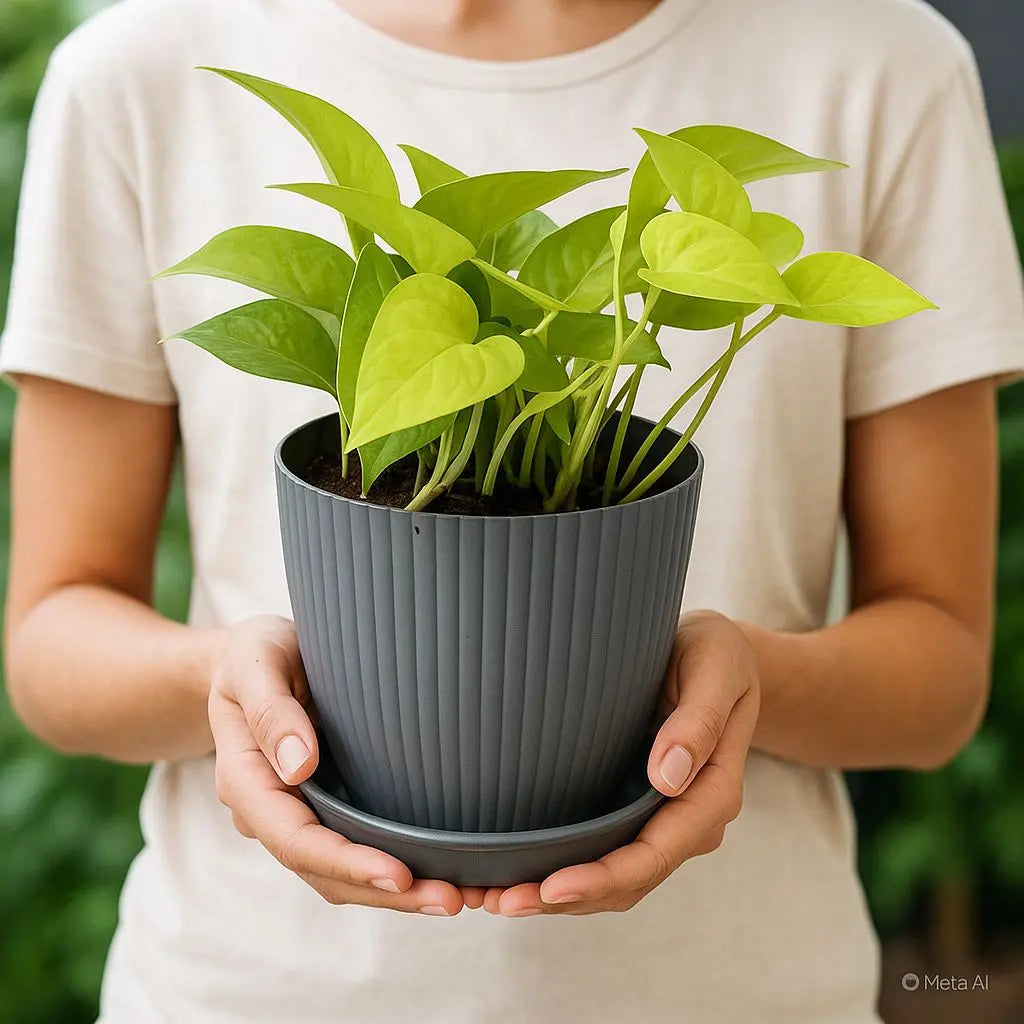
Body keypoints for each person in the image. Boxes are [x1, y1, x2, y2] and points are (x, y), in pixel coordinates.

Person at [3, 0, 1023, 1020]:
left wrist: (753, 683)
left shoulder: (882, 61)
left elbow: (938, 672)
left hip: (736, 991)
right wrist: (222, 681)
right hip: (244, 988)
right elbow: (53, 639)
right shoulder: (142, 66)